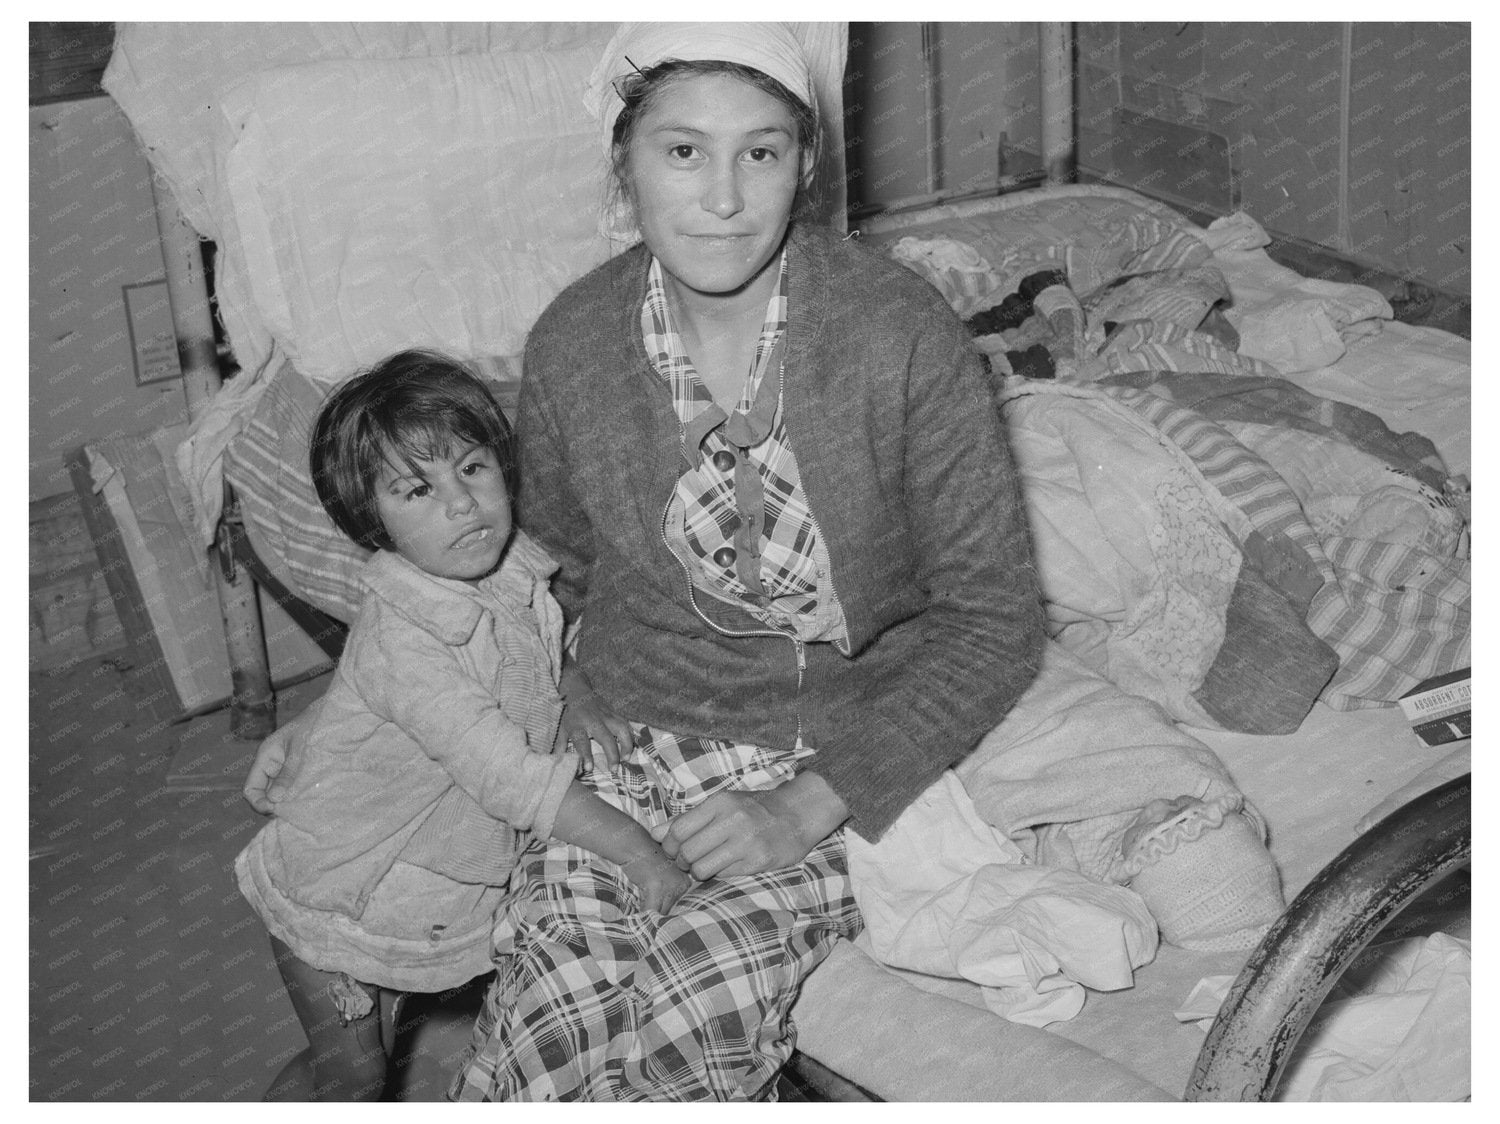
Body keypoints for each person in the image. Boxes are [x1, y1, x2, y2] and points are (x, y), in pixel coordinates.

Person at [445, 22, 1045, 1102]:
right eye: (682, 151)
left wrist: (808, 805)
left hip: (829, 747)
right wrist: (578, 691)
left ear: (806, 167)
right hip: (632, 741)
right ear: (623, 165)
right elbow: (567, 564)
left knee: (687, 1017)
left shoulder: (900, 337)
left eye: (760, 152)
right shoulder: (572, 343)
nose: (722, 196)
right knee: (546, 1024)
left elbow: (994, 621)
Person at [234, 350, 691, 1101]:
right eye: (419, 488)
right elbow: (513, 780)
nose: (462, 504)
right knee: (353, 1076)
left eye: (472, 469)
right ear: (369, 521)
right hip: (349, 898)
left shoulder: (507, 561)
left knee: (363, 1060)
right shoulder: (406, 644)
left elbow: (542, 637)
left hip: (430, 882)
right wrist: (642, 856)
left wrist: (570, 686)